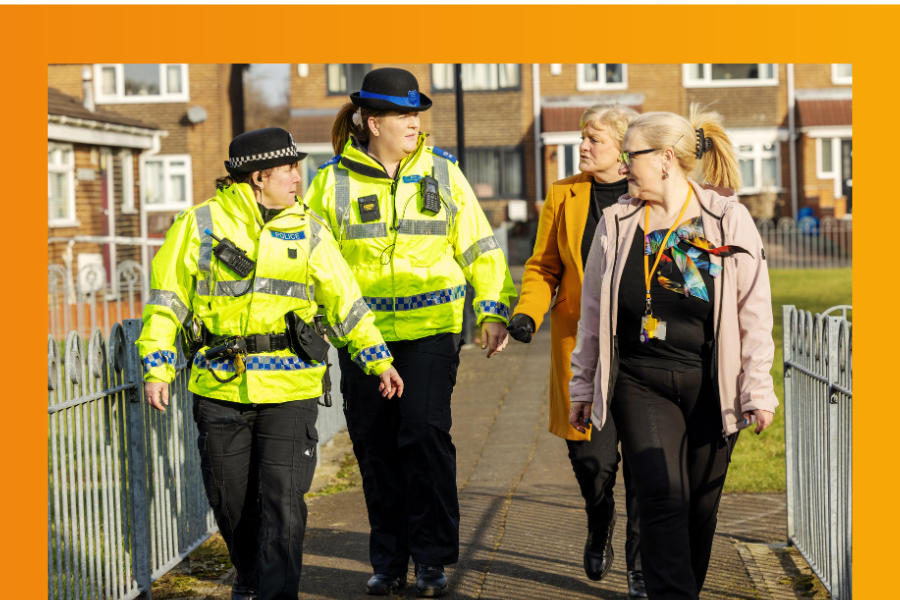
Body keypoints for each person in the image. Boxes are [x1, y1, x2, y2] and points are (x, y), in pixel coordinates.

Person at [137, 127, 404, 600]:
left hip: (291, 390)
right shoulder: (198, 226)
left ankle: (276, 593)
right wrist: (157, 367)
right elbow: (166, 302)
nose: (299, 178)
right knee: (230, 499)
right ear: (259, 177)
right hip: (220, 388)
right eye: (289, 169)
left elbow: (346, 303)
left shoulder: (310, 230)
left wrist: (378, 359)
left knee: (283, 500)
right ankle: (252, 577)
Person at [305, 67, 517, 598]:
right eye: (403, 114)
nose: (414, 123)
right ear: (372, 121)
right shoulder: (329, 182)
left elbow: (480, 246)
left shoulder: (445, 172)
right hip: (362, 340)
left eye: (417, 114)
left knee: (423, 439)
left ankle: (432, 560)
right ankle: (388, 561)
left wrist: (492, 311)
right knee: (375, 449)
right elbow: (311, 260)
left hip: (430, 335)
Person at [568, 104, 778, 600]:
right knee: (661, 497)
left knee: (698, 513)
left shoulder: (728, 219)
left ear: (665, 158)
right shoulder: (616, 223)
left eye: (630, 157)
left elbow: (754, 311)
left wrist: (758, 388)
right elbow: (593, 313)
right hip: (639, 381)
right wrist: (582, 383)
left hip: (711, 383)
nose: (622, 167)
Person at [507, 104, 646, 597]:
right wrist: (527, 313)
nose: (582, 147)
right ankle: (599, 517)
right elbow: (543, 266)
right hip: (581, 347)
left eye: (593, 140)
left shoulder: (649, 195)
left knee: (648, 464)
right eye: (582, 138)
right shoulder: (565, 193)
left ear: (626, 149)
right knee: (592, 461)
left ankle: (640, 568)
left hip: (641, 350)